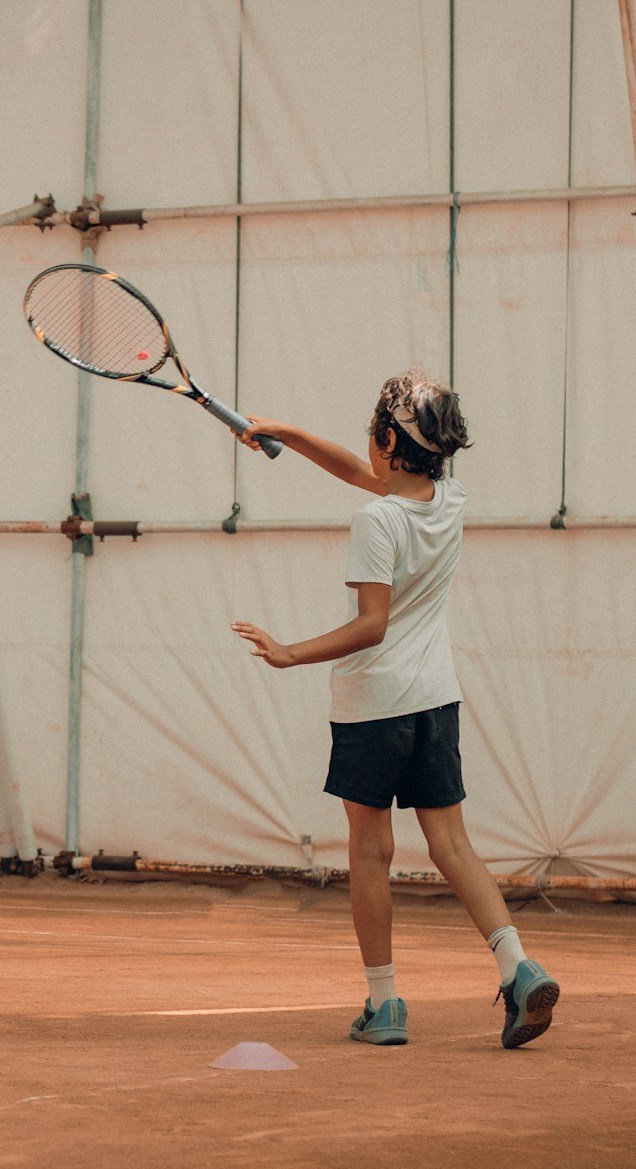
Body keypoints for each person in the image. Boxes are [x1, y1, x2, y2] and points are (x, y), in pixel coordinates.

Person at [229, 371, 559, 1049]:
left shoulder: (375, 521)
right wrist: (285, 433)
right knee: (452, 845)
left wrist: (292, 651)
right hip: (434, 700)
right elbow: (359, 471)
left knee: (371, 852)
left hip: (374, 705)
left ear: (387, 438)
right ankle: (518, 968)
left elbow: (370, 624)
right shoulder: (448, 499)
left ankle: (384, 1006)